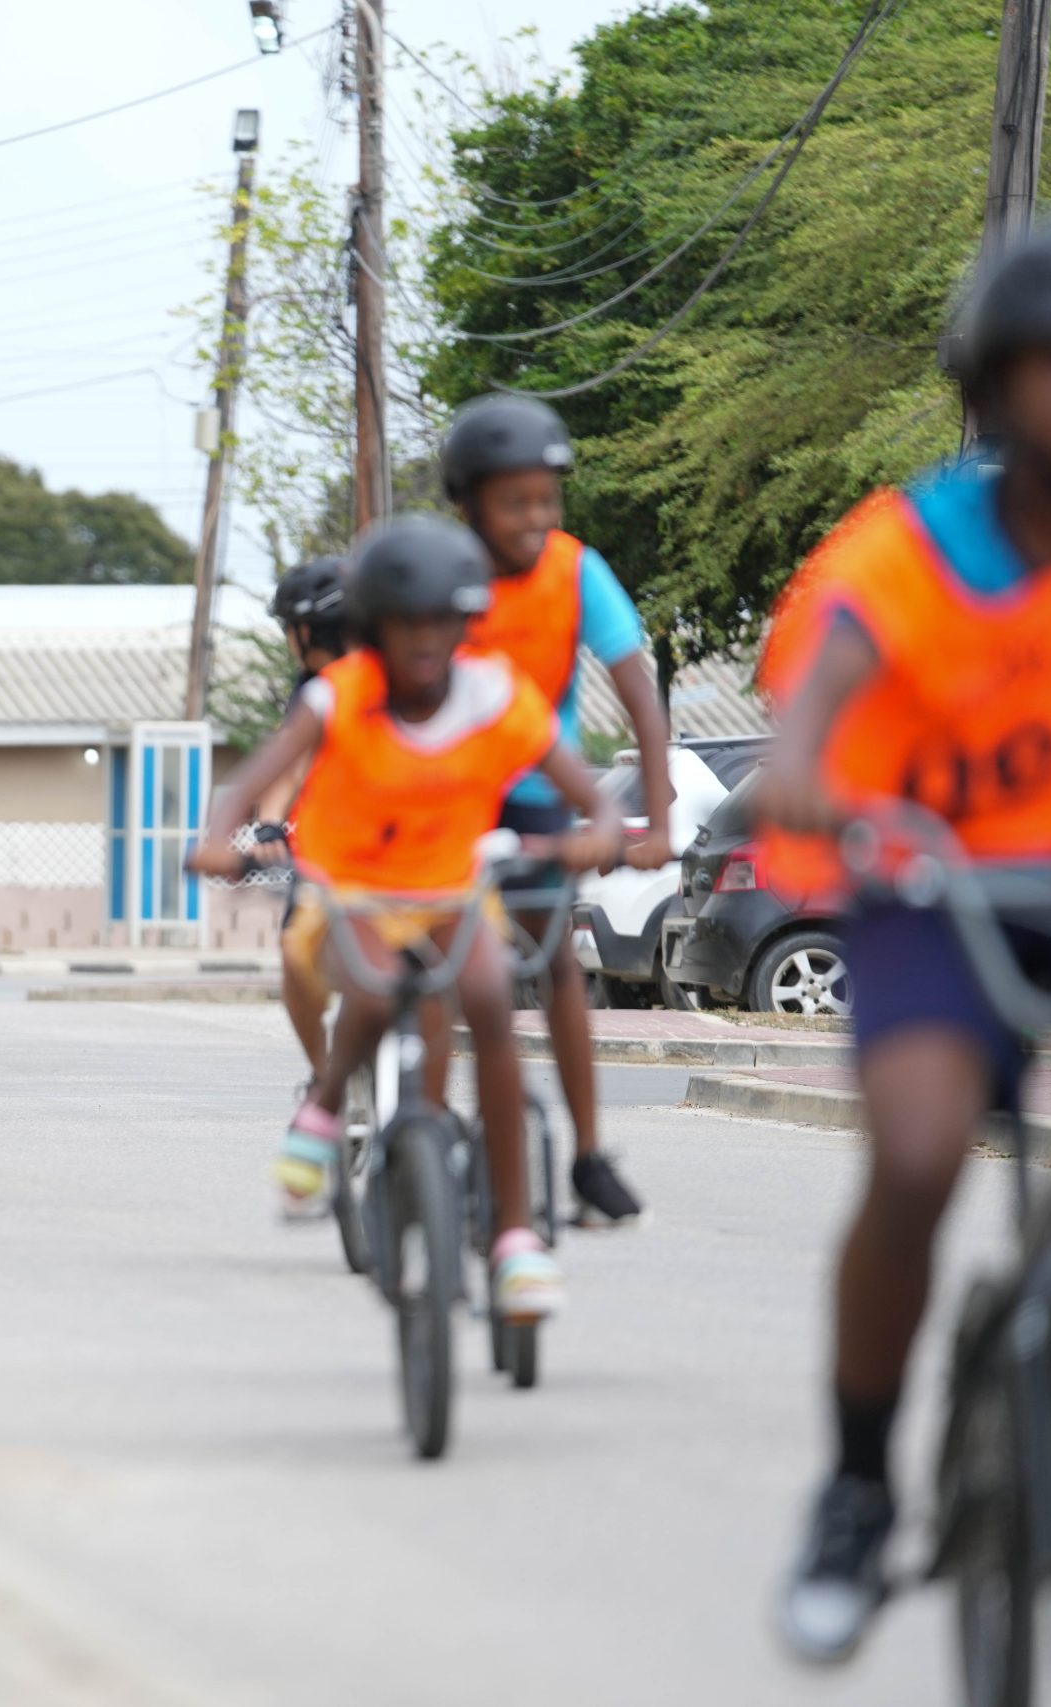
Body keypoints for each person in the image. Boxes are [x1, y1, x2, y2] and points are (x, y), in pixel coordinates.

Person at [763, 213, 1051, 1665]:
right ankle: (857, 1486)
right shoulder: (915, 544)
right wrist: (808, 771)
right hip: (934, 882)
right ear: (995, 381)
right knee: (916, 1152)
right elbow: (821, 701)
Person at [193, 516, 625, 1319]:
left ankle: (515, 1242)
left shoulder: (493, 691)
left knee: (491, 997)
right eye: (403, 624)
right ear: (371, 631)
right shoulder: (338, 696)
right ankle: (324, 1108)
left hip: (453, 893)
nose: (424, 641)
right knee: (378, 980)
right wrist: (220, 840)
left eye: (442, 622)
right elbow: (251, 780)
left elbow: (582, 788)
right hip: (350, 890)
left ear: (466, 624)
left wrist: (600, 828)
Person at [439, 394, 675, 1228]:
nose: (536, 518)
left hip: (545, 787)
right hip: (450, 790)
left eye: (548, 499)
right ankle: (427, 1138)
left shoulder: (576, 569)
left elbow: (637, 693)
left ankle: (586, 1152)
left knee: (557, 964)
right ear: (466, 502)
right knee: (439, 964)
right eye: (515, 502)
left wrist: (657, 813)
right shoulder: (441, 575)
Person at [264, 558, 353, 1085]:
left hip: (411, 855)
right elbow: (286, 763)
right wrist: (269, 823)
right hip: (330, 856)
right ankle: (326, 1079)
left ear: (304, 629)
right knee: (298, 954)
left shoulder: (403, 676)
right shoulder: (312, 691)